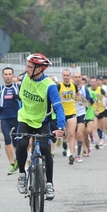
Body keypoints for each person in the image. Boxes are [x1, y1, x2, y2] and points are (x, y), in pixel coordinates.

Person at [16, 53, 65, 200]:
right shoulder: (25, 78)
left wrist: (60, 127)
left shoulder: (49, 86)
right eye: (27, 66)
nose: (26, 69)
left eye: (30, 67)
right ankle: (22, 175)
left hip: (41, 122)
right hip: (25, 119)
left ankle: (49, 184)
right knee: (22, 143)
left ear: (39, 69)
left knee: (45, 149)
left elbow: (58, 107)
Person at [0, 67, 20, 175]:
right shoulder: (0, 89)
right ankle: (12, 163)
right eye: (6, 74)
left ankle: (19, 159)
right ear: (3, 76)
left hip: (17, 117)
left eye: (10, 74)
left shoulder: (18, 86)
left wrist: (18, 96)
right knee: (6, 138)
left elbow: (24, 97)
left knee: (17, 141)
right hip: (4, 118)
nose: (8, 76)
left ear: (12, 75)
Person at [57, 69, 82, 164]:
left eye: (68, 75)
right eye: (64, 75)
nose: (66, 77)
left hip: (72, 112)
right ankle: (64, 142)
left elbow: (78, 94)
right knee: (65, 134)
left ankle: (71, 154)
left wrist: (79, 100)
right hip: (62, 113)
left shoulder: (73, 85)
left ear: (70, 76)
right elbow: (53, 96)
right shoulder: (59, 86)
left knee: (72, 133)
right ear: (62, 76)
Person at [73, 72, 92, 163]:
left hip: (81, 113)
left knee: (80, 133)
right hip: (71, 113)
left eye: (79, 77)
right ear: (73, 78)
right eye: (75, 77)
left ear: (81, 78)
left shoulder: (85, 89)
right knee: (72, 134)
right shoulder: (69, 88)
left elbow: (89, 101)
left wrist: (85, 104)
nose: (77, 78)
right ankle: (71, 151)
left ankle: (78, 155)